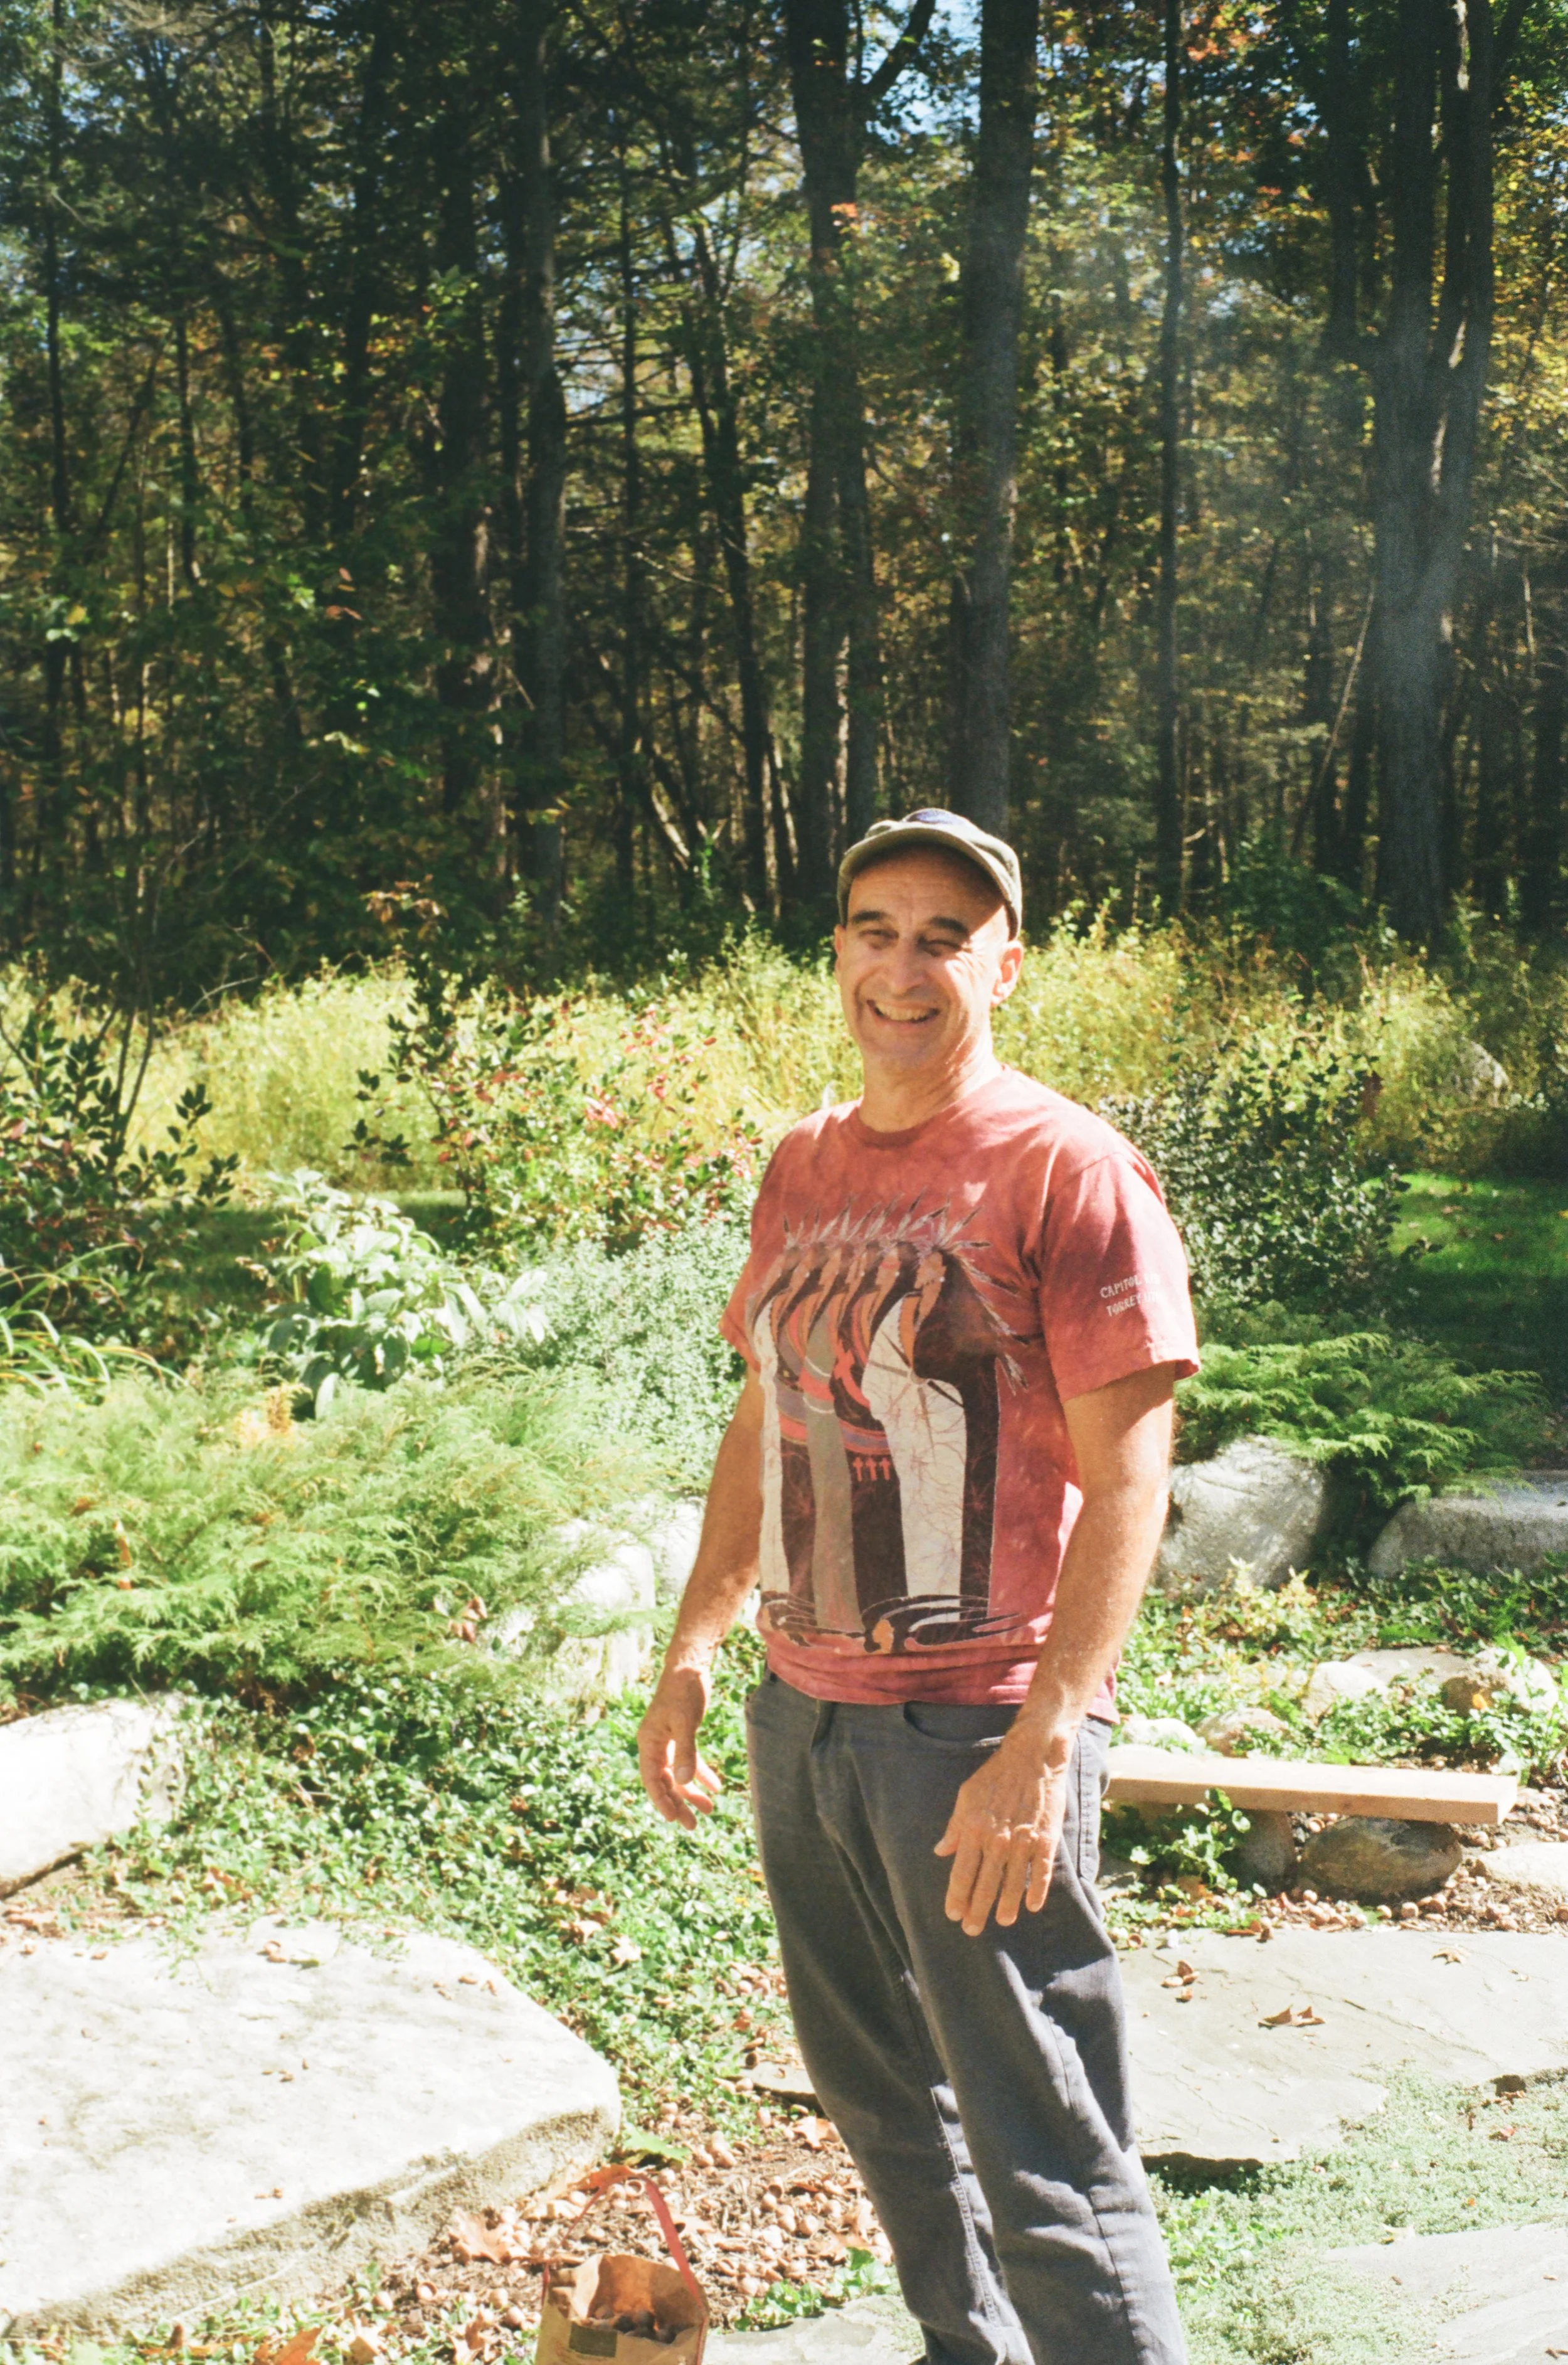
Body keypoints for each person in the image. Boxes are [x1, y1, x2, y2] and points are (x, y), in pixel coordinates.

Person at [637, 810, 1197, 2365]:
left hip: (970, 1729)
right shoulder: (805, 1163)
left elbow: (1130, 1476)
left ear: (1002, 960)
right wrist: (698, 1641)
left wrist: (1039, 1742)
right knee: (884, 2108)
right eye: (873, 928)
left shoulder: (1065, 1168)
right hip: (804, 1718)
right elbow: (765, 1410)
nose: (902, 964)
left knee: (1041, 2144)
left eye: (942, 934)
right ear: (836, 955)